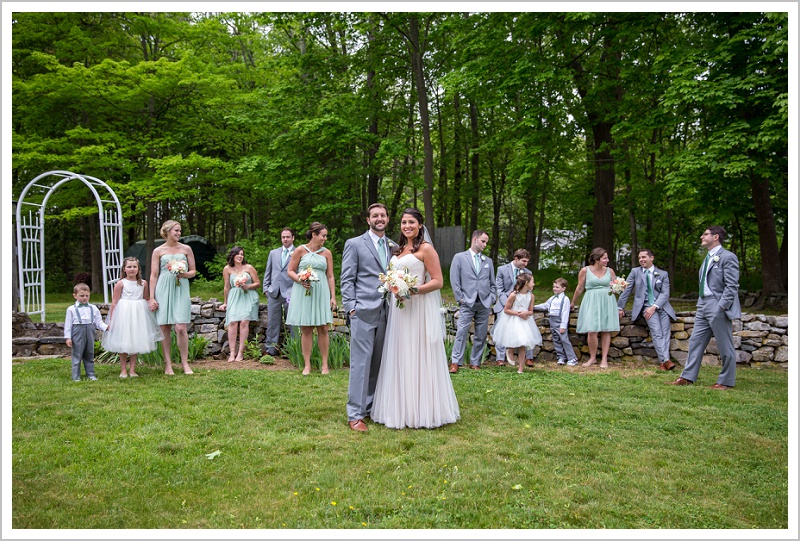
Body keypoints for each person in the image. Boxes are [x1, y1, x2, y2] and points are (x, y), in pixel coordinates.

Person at [371, 208, 460, 429]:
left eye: (411, 222)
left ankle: (423, 411)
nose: (407, 226)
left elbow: (438, 281)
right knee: (400, 355)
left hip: (417, 310)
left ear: (420, 225)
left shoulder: (426, 249)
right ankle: (399, 410)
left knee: (417, 354)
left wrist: (413, 290)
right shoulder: (398, 250)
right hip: (399, 312)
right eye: (403, 222)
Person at [341, 203, 394, 432]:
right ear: (368, 220)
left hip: (389, 311)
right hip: (363, 311)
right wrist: (352, 307)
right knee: (361, 363)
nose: (379, 219)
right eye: (375, 216)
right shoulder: (354, 244)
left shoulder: (393, 246)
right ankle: (355, 414)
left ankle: (371, 407)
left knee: (378, 363)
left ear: (387, 219)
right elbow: (347, 278)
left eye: (382, 215)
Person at [669, 226, 741, 390]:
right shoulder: (708, 257)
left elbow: (732, 286)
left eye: (705, 234)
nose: (702, 236)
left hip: (717, 304)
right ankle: (687, 377)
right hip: (702, 304)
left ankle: (726, 381)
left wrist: (721, 306)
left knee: (724, 344)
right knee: (695, 341)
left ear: (716, 237)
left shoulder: (728, 257)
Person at [285, 222, 337, 375]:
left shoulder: (327, 253)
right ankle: (307, 365)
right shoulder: (300, 250)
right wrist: (300, 280)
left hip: (321, 292)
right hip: (304, 292)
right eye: (323, 235)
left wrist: (333, 296)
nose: (325, 239)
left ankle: (325, 365)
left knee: (323, 328)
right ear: (314, 234)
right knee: (306, 329)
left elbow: (330, 275)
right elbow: (290, 271)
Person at [148, 219, 196, 375]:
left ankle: (184, 363)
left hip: (181, 288)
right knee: (165, 327)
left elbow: (193, 271)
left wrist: (183, 273)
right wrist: (151, 297)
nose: (179, 233)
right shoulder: (158, 251)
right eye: (176, 230)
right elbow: (154, 275)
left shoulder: (186, 249)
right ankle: (168, 364)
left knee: (181, 327)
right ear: (167, 231)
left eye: (180, 231)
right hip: (163, 288)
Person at [102, 257, 163, 378]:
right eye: (129, 267)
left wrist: (151, 303)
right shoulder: (120, 283)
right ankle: (123, 369)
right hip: (124, 313)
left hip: (138, 313)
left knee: (136, 340)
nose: (132, 269)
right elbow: (114, 302)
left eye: (134, 266)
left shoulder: (143, 283)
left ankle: (133, 369)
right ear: (124, 269)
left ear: (138, 268)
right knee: (124, 340)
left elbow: (145, 298)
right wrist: (112, 319)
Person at [617, 249, 677, 371]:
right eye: (639, 258)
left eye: (644, 257)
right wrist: (620, 307)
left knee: (665, 333)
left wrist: (654, 307)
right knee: (656, 332)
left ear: (651, 258)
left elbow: (665, 294)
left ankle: (663, 362)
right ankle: (666, 360)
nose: (641, 260)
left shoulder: (662, 274)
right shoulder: (635, 272)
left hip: (662, 306)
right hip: (645, 307)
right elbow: (626, 289)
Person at [449, 230, 497, 373]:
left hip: (484, 303)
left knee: (481, 334)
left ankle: (475, 362)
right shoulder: (459, 257)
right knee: (461, 332)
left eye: (486, 242)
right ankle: (456, 362)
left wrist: (492, 298)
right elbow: (454, 280)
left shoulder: (488, 261)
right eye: (483, 241)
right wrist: (460, 298)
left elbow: (493, 283)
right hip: (467, 302)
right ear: (475, 239)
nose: (485, 244)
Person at [572, 247, 622, 368]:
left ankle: (604, 359)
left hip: (607, 301)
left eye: (607, 258)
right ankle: (592, 358)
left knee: (606, 329)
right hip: (591, 300)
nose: (607, 260)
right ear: (596, 259)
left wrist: (619, 288)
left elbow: (616, 286)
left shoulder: (610, 271)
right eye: (604, 258)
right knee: (592, 330)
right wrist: (573, 302)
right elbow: (580, 288)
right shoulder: (585, 270)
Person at [491, 273, 543, 374]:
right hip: (513, 320)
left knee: (523, 344)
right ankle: (510, 350)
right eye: (532, 282)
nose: (534, 284)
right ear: (526, 283)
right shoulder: (514, 295)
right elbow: (506, 309)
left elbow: (531, 311)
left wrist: (526, 313)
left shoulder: (531, 296)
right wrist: (519, 313)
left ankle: (521, 368)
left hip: (525, 322)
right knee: (515, 339)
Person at [493, 249, 535, 367]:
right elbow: (499, 289)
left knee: (528, 326)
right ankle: (500, 358)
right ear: (516, 258)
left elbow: (529, 291)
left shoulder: (527, 272)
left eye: (527, 262)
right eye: (524, 261)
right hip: (505, 303)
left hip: (521, 304)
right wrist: (507, 303)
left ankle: (529, 357)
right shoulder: (502, 269)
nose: (525, 264)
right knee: (502, 326)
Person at [219, 246, 261, 363]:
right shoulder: (227, 269)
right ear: (232, 255)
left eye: (242, 254)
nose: (240, 256)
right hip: (234, 296)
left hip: (248, 296)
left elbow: (257, 283)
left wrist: (247, 286)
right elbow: (227, 286)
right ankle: (232, 352)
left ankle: (241, 352)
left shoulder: (249, 268)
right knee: (232, 322)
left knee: (244, 321)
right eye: (238, 254)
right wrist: (225, 302)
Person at [64, 283, 108, 381]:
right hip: (77, 331)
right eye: (82, 296)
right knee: (77, 353)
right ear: (75, 296)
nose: (84, 298)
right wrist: (68, 337)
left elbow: (98, 322)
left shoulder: (93, 308)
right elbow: (68, 325)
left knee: (89, 353)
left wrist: (106, 327)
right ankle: (76, 376)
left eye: (87, 296)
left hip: (90, 330)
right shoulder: (71, 309)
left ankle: (91, 374)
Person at [263, 228, 296, 356]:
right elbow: (268, 271)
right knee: (272, 322)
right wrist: (266, 289)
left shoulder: (298, 252)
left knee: (293, 323)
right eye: (283, 237)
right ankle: (270, 350)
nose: (285, 239)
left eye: (288, 237)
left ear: (293, 238)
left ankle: (293, 350)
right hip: (274, 292)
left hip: (291, 293)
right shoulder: (273, 253)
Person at [535, 278, 578, 366]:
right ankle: (561, 357)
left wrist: (563, 326)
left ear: (563, 288)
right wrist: (533, 307)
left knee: (564, 339)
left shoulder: (565, 299)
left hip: (560, 321)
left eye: (557, 287)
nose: (555, 288)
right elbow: (545, 305)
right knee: (556, 339)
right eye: (554, 287)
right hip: (552, 320)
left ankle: (572, 358)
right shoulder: (552, 298)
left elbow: (565, 313)